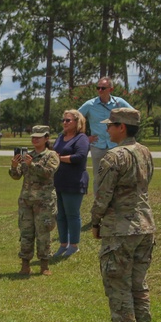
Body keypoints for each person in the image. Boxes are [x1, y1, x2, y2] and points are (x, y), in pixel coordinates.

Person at [88, 108, 154, 322]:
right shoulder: (145, 152)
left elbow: (103, 195)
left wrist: (96, 222)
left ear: (121, 127)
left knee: (118, 284)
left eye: (111, 125)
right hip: (145, 226)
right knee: (139, 282)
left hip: (120, 228)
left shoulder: (114, 156)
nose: (107, 129)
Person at [8, 125, 59, 276]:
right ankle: (25, 264)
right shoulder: (27, 155)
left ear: (46, 138)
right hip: (26, 201)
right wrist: (14, 166)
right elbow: (17, 176)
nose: (35, 139)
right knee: (26, 233)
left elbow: (48, 173)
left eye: (39, 136)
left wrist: (33, 165)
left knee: (43, 233)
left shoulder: (52, 155)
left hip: (44, 202)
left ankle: (44, 265)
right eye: (33, 137)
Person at [79, 76, 133, 192]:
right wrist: (84, 138)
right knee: (99, 177)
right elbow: (75, 119)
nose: (100, 90)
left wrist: (125, 133)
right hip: (98, 146)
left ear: (111, 90)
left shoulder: (119, 103)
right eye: (98, 88)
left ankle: (115, 204)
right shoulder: (90, 104)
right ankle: (99, 205)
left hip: (117, 146)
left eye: (103, 88)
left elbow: (134, 115)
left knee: (118, 175)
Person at [54, 109, 90, 257]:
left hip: (74, 181)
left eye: (68, 120)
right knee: (60, 215)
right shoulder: (60, 137)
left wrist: (59, 158)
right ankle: (63, 245)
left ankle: (74, 245)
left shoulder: (81, 138)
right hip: (58, 181)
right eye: (63, 120)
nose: (64, 123)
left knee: (72, 215)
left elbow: (80, 156)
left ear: (77, 122)